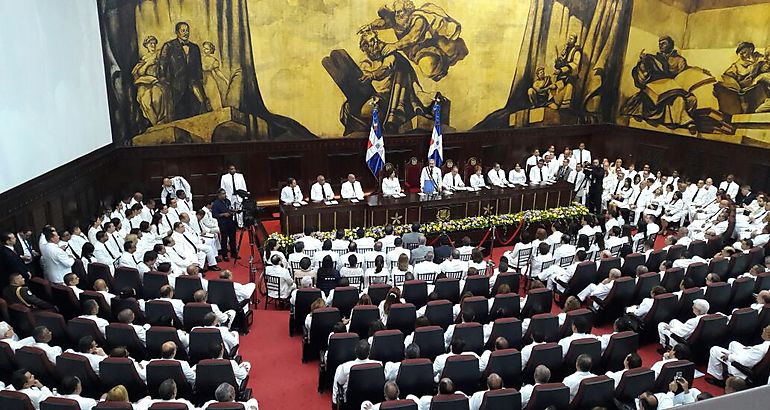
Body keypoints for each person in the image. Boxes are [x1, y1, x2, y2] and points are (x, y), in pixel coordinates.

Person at [158, 21, 207, 120]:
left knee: (198, 110)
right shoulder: (169, 46)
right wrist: (163, 77)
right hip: (177, 85)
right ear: (177, 32)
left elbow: (198, 66)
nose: (186, 33)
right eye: (183, 30)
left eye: (187, 30)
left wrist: (200, 79)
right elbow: (162, 63)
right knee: (180, 112)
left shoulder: (194, 47)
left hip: (193, 84)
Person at [333, 340, 381, 405]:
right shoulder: (379, 365)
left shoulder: (345, 367)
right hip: (373, 398)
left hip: (351, 400)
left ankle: (334, 402)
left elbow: (340, 382)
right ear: (369, 353)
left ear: (355, 351)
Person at [212, 188, 237, 261]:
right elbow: (214, 215)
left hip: (230, 221)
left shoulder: (227, 201)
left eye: (225, 193)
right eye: (223, 194)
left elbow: (229, 209)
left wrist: (233, 211)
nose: (224, 195)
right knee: (224, 239)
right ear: (219, 195)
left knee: (233, 238)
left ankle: (234, 253)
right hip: (222, 223)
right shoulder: (216, 204)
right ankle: (225, 255)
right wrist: (223, 214)